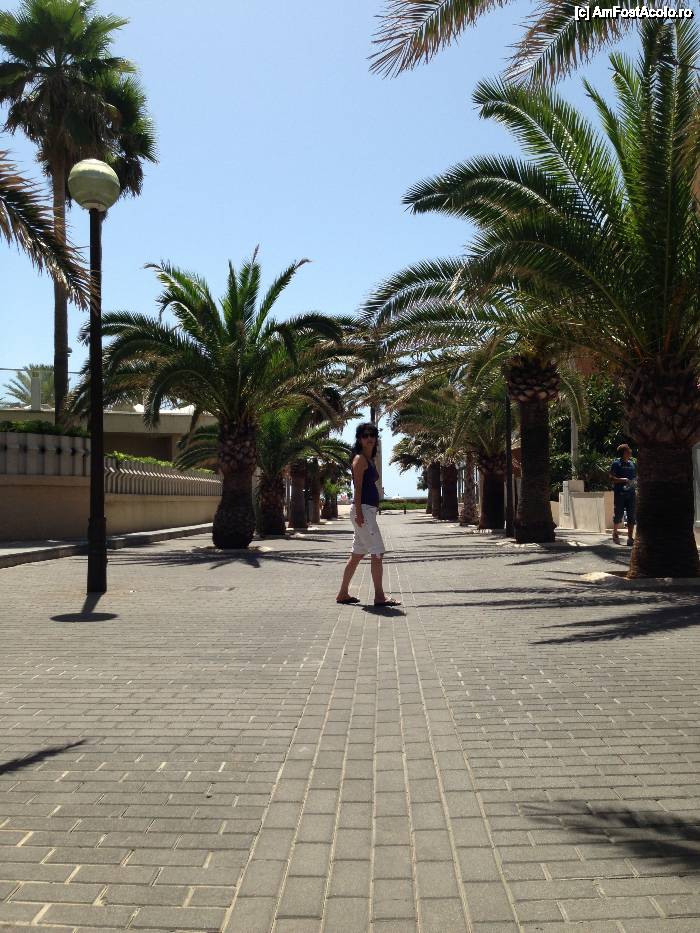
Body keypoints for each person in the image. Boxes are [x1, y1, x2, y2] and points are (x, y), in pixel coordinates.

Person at [336, 423, 400, 607]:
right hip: (363, 511)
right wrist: (359, 513)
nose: (369, 438)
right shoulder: (359, 460)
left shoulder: (369, 459)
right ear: (359, 439)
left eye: (372, 435)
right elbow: (357, 488)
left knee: (357, 555)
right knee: (377, 553)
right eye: (365, 435)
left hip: (366, 511)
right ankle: (380, 596)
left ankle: (342, 594)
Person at [610, 443, 637, 545]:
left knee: (631, 515)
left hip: (631, 493)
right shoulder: (616, 464)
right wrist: (623, 480)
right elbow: (611, 478)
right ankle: (615, 533)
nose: (630, 451)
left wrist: (635, 483)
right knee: (618, 514)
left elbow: (634, 478)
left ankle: (630, 538)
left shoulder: (632, 464)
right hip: (620, 493)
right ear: (625, 452)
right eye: (629, 450)